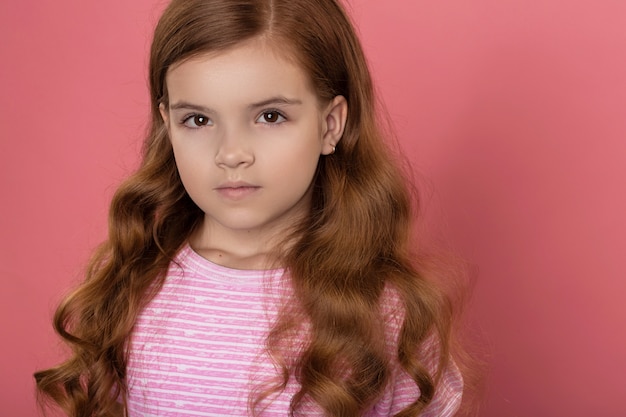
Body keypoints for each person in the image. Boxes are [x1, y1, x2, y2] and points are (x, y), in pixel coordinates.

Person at [35, 0, 466, 415]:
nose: (231, 153)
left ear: (330, 124)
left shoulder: (385, 310)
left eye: (270, 116)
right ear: (168, 124)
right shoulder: (132, 283)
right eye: (199, 120)